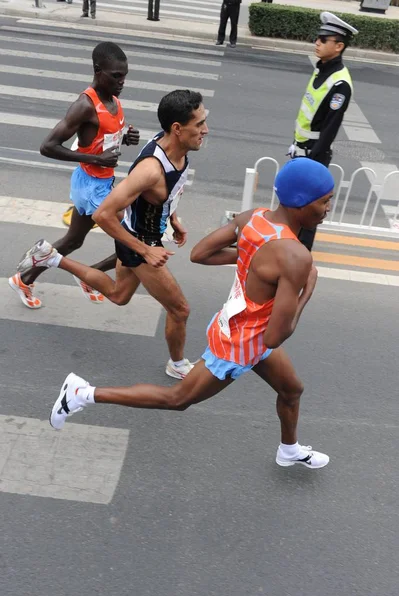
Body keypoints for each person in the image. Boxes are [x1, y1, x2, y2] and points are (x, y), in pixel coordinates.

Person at [24, 158, 332, 468]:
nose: (328, 208)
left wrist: (252, 257)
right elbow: (276, 336)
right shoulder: (295, 257)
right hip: (241, 344)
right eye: (325, 201)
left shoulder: (255, 218)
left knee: (292, 389)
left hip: (241, 325)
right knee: (178, 399)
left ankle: (289, 450)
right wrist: (306, 291)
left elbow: (200, 254)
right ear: (301, 203)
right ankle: (81, 393)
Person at [18, 90, 209, 380]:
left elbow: (164, 193)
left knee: (120, 296)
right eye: (200, 124)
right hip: (141, 245)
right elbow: (103, 215)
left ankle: (51, 257)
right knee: (180, 310)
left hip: (140, 237)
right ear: (177, 129)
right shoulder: (150, 170)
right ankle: (178, 364)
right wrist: (145, 251)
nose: (205, 130)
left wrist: (172, 218)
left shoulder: (175, 147)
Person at [9, 41, 140, 309]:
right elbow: (48, 146)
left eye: (124, 75)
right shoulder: (85, 105)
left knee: (74, 240)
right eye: (116, 76)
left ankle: (24, 279)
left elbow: (103, 138)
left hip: (99, 182)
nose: (122, 82)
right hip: (93, 187)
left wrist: (126, 138)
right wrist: (95, 158)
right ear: (97, 70)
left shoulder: (113, 101)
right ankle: (92, 275)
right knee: (134, 242)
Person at [287, 12, 358, 251]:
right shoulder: (321, 69)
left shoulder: (340, 84)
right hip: (301, 149)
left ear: (338, 46)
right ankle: (289, 246)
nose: (317, 43)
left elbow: (329, 129)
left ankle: (300, 256)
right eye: (317, 38)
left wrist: (311, 163)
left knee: (308, 207)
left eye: (323, 39)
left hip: (313, 155)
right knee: (294, 203)